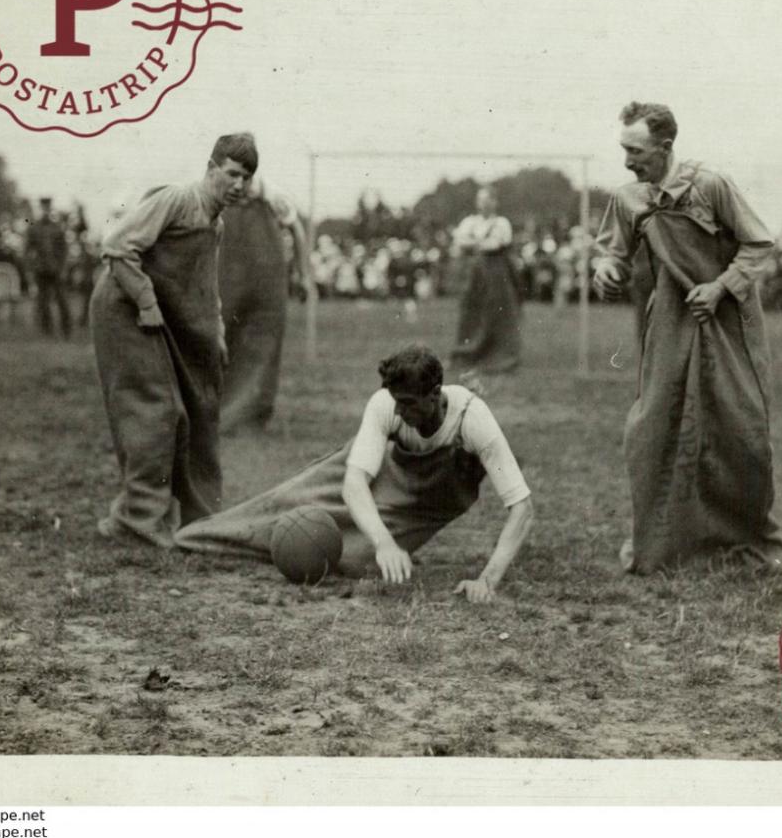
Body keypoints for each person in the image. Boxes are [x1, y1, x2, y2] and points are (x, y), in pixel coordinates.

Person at [175, 345, 534, 602]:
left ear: (436, 394)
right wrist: (385, 542)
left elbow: (521, 507)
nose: (401, 411)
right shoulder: (387, 405)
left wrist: (487, 582)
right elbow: (354, 481)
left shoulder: (475, 420)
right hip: (387, 468)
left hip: (436, 490)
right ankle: (195, 536)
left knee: (356, 562)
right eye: (397, 402)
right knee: (287, 504)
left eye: (409, 404)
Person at [593, 101, 782, 574]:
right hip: (669, 323)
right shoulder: (628, 198)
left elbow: (758, 243)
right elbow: (610, 252)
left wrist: (721, 287)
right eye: (623, 150)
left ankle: (743, 540)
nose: (627, 162)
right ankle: (664, 543)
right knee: (653, 428)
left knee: (741, 433)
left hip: (727, 323)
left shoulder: (711, 185)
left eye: (635, 151)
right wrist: (607, 270)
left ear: (666, 146)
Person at [91, 132, 257, 547]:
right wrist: (146, 302)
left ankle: (199, 520)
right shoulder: (178, 200)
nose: (239, 185)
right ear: (211, 169)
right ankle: (136, 521)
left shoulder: (214, 225)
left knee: (198, 407)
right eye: (233, 174)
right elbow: (117, 246)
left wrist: (215, 332)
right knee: (157, 409)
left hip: (156, 314)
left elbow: (205, 287)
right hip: (123, 304)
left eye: (247, 178)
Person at [218, 174, 309, 432]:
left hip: (266, 279)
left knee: (263, 345)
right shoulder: (222, 194)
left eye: (245, 176)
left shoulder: (271, 194)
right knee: (224, 339)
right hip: (229, 277)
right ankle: (218, 411)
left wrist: (302, 274)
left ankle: (252, 415)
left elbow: (297, 231)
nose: (239, 182)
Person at [449, 187, 522, 373]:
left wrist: (474, 242)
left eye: (488, 200)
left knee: (499, 312)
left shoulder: (501, 222)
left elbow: (496, 243)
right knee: (470, 311)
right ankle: (468, 353)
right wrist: (478, 242)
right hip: (475, 273)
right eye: (480, 200)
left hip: (497, 272)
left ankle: (499, 356)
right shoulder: (470, 222)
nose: (484, 204)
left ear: (495, 202)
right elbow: (459, 241)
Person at [24, 197, 71, 337]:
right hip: (41, 269)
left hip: (56, 269)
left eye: (47, 207)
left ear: (50, 208)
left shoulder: (57, 227)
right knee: (43, 301)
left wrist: (63, 268)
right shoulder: (34, 227)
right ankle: (47, 330)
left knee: (61, 299)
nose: (45, 210)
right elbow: (27, 250)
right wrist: (31, 267)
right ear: (40, 208)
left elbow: (64, 250)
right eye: (43, 207)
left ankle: (66, 329)